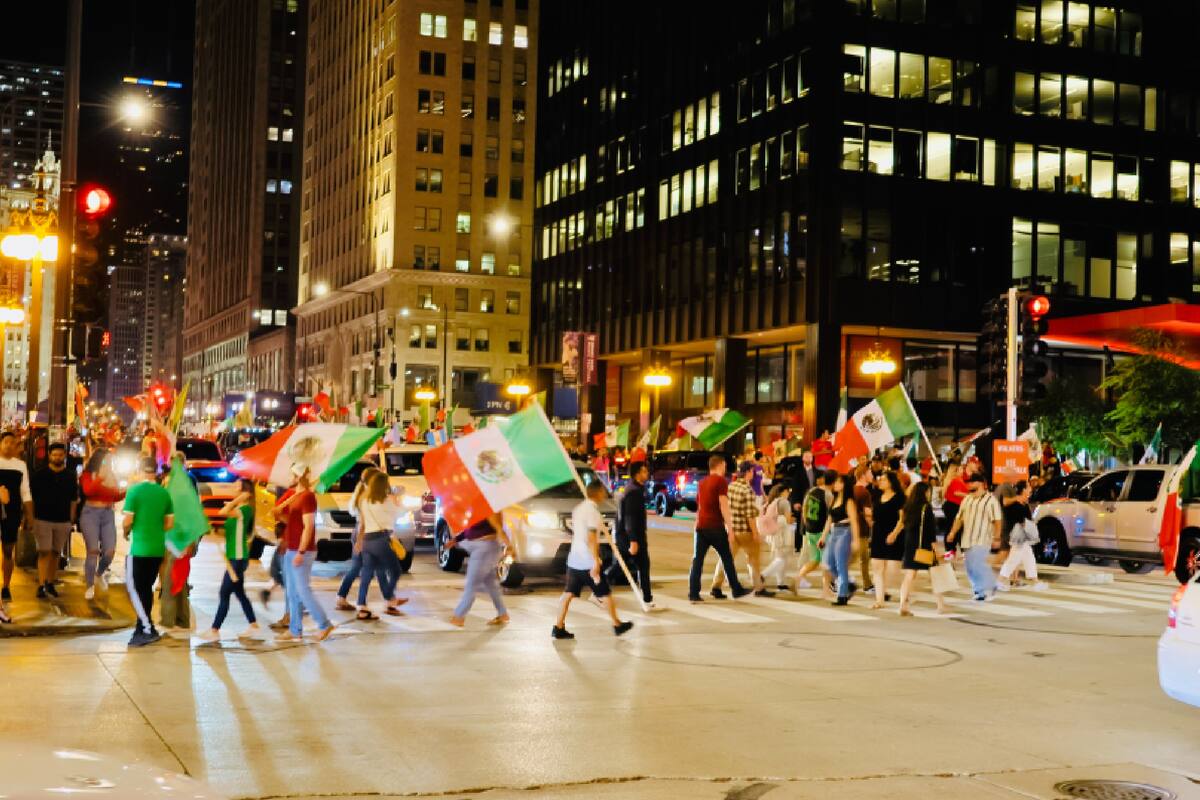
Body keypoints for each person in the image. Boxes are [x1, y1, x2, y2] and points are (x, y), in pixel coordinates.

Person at [553, 480, 635, 639]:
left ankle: (558, 626)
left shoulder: (578, 509)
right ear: (597, 492)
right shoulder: (593, 511)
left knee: (568, 594)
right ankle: (617, 624)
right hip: (587, 562)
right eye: (603, 491)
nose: (605, 494)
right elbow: (591, 538)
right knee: (605, 593)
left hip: (574, 560)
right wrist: (595, 560)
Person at [201, 479, 262, 642]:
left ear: (245, 492)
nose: (234, 488)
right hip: (234, 557)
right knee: (240, 593)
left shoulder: (245, 509)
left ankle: (215, 629)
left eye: (237, 486)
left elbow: (223, 512)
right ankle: (253, 625)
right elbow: (228, 525)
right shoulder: (239, 509)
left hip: (238, 558)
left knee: (224, 592)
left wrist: (238, 500)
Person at [122, 457, 174, 647]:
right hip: (157, 549)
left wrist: (125, 530)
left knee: (137, 589)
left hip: (140, 549)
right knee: (146, 588)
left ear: (140, 469)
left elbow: (128, 521)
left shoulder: (134, 491)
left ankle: (144, 628)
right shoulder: (164, 494)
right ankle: (146, 627)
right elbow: (169, 524)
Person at [279, 468, 335, 642]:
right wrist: (280, 514)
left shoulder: (308, 497)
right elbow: (292, 522)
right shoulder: (294, 496)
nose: (289, 477)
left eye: (292, 474)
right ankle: (295, 630)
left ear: (298, 476)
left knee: (303, 591)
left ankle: (324, 624)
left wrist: (301, 551)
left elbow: (308, 526)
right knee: (292, 593)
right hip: (291, 549)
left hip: (302, 551)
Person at [688, 455, 750, 603]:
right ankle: (736, 589)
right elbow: (723, 505)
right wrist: (730, 528)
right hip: (715, 526)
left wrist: (697, 524)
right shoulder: (721, 481)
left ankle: (693, 593)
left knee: (697, 560)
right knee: (727, 558)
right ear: (720, 465)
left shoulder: (701, 483)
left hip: (701, 527)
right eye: (724, 466)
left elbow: (699, 506)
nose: (726, 469)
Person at [350, 470, 409, 620]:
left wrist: (359, 542)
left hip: (367, 541)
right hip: (381, 540)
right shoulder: (387, 502)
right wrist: (397, 499)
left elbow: (362, 524)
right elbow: (401, 513)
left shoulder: (365, 501)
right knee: (396, 571)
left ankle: (362, 606)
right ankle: (390, 599)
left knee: (367, 575)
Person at [712, 461, 774, 597]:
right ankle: (758, 587)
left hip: (732, 530)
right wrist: (755, 533)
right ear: (748, 472)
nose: (753, 474)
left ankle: (716, 585)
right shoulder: (747, 490)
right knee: (753, 559)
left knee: (726, 559)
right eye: (752, 471)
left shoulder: (731, 487)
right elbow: (749, 515)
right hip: (745, 531)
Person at [335, 467, 394, 611]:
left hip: (360, 533)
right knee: (374, 569)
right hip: (367, 533)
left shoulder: (360, 492)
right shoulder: (368, 496)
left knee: (357, 568)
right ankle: (368, 603)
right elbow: (364, 520)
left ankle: (342, 597)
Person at [30, 443, 78, 599]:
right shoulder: (39, 475)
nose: (57, 457)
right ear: (49, 456)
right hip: (42, 519)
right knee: (44, 552)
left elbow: (73, 499)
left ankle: (50, 582)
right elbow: (32, 498)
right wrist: (29, 518)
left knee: (56, 553)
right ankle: (41, 584)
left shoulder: (70, 476)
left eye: (60, 454)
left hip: (63, 520)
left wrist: (72, 519)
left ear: (64, 455)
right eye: (54, 454)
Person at [447, 511, 512, 627]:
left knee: (472, 584)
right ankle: (503, 614)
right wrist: (456, 540)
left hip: (485, 549)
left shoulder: (489, 508)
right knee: (491, 585)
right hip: (483, 549)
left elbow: (499, 529)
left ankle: (459, 616)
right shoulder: (477, 508)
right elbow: (469, 530)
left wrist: (510, 547)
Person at [896, 481, 949, 615]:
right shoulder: (927, 508)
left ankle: (903, 604)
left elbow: (903, 525)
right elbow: (930, 532)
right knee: (935, 576)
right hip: (924, 546)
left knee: (909, 576)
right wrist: (936, 550)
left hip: (910, 545)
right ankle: (941, 605)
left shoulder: (908, 507)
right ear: (925, 492)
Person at [946, 473, 1001, 601]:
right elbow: (959, 518)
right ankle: (980, 590)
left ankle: (985, 587)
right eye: (968, 482)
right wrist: (952, 532)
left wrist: (997, 538)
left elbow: (997, 520)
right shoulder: (967, 499)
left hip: (982, 539)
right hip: (967, 539)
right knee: (970, 567)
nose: (969, 484)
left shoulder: (990, 500)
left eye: (972, 482)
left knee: (977, 564)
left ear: (981, 483)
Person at [79, 449, 122, 601]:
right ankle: (89, 585)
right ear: (99, 460)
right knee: (93, 551)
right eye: (106, 460)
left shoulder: (112, 476)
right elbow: (88, 491)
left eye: (110, 460)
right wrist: (100, 479)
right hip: (90, 513)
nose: (109, 463)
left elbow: (115, 496)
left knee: (109, 551)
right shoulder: (87, 474)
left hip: (108, 514)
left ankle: (99, 574)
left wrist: (127, 490)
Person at [0, 431, 33, 602]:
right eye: (6, 441)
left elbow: (25, 491)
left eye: (13, 442)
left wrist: (29, 515)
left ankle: (6, 586)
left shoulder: (20, 465)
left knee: (8, 550)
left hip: (12, 512)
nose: (9, 445)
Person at [820, 470, 861, 605]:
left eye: (839, 482)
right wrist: (823, 536)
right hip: (834, 532)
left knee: (840, 564)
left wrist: (855, 540)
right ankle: (848, 584)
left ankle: (842, 595)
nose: (835, 484)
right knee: (828, 563)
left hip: (845, 532)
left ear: (844, 484)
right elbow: (829, 519)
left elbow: (854, 520)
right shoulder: (834, 499)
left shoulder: (849, 501)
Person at [615, 461, 654, 608]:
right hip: (631, 535)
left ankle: (647, 599)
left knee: (640, 565)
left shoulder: (635, 489)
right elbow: (630, 517)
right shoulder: (633, 492)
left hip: (631, 534)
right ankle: (599, 590)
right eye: (644, 472)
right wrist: (633, 540)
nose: (647, 474)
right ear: (638, 473)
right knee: (624, 566)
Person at [998, 480, 1047, 592]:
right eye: (1028, 487)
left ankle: (1035, 581)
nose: (1030, 489)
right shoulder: (1016, 504)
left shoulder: (1023, 503)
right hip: (1018, 536)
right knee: (1013, 560)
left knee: (1029, 558)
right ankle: (1000, 581)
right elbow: (1021, 522)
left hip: (1022, 536)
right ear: (1023, 489)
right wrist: (1032, 533)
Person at [868, 471, 905, 609]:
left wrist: (894, 533)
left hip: (894, 535)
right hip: (878, 534)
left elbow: (902, 518)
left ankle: (904, 593)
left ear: (890, 481)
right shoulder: (877, 496)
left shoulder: (899, 497)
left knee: (893, 570)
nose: (880, 482)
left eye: (883, 479)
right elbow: (874, 515)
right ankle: (879, 600)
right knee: (877, 568)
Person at [795, 471, 834, 594]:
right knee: (826, 562)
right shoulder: (828, 495)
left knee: (815, 560)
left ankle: (797, 578)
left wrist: (807, 525)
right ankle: (826, 590)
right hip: (821, 532)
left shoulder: (811, 491)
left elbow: (804, 509)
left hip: (810, 530)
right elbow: (831, 515)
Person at [759, 482, 794, 591]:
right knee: (782, 559)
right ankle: (763, 575)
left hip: (773, 533)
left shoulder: (771, 502)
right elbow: (788, 520)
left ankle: (781, 582)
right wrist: (793, 520)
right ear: (783, 492)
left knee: (780, 557)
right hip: (782, 533)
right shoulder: (784, 502)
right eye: (788, 491)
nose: (789, 493)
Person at [852, 463, 875, 592]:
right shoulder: (864, 492)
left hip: (852, 528)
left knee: (857, 557)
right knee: (864, 558)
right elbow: (868, 514)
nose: (872, 475)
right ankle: (867, 584)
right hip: (862, 530)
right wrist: (874, 526)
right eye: (869, 473)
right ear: (862, 476)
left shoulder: (852, 489)